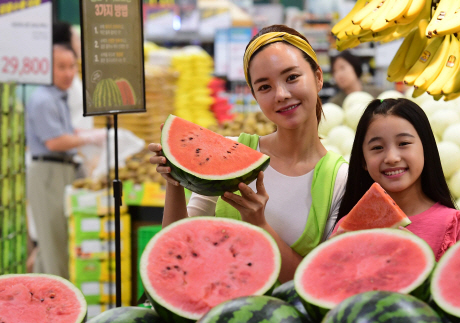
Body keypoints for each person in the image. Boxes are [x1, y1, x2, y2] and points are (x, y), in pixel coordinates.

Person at [148, 25, 349, 282]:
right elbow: (179, 252)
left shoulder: (340, 178)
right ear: (254, 95)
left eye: (292, 77)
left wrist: (260, 225)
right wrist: (174, 178)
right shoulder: (228, 149)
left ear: (318, 77)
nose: (281, 95)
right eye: (264, 87)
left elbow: (318, 282)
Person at [333, 98, 460, 260]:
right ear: (363, 160)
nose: (392, 158)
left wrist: (419, 259)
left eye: (404, 143)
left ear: (426, 149)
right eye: (377, 147)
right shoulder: (346, 230)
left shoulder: (458, 228)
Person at [26, 43, 99, 278]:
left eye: (72, 67)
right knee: (54, 245)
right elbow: (55, 142)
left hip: (60, 170)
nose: (69, 73)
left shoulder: (58, 97)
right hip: (48, 173)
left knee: (51, 245)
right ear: (47, 68)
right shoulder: (43, 100)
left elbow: (64, 132)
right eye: (61, 67)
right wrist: (91, 137)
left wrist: (83, 136)